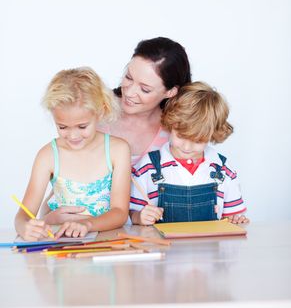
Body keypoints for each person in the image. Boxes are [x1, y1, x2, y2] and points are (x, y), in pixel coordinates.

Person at [42, 36, 192, 224]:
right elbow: (59, 183)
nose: (129, 92)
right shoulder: (95, 111)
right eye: (128, 77)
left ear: (170, 92)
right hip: (84, 225)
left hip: (147, 229)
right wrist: (49, 218)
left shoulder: (176, 131)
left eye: (145, 89)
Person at [15, 67, 131, 241]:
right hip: (64, 247)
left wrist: (88, 224)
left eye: (82, 126)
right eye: (62, 127)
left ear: (100, 111)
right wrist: (25, 227)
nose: (73, 136)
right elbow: (22, 216)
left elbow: (120, 213)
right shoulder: (48, 156)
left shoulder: (118, 150)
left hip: (109, 244)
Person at [129, 81, 249, 225]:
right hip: (163, 247)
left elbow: (232, 217)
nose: (186, 147)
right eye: (180, 136)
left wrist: (237, 220)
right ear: (171, 124)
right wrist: (139, 217)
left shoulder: (223, 170)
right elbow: (131, 215)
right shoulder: (148, 168)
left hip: (210, 246)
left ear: (212, 134)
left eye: (198, 140)